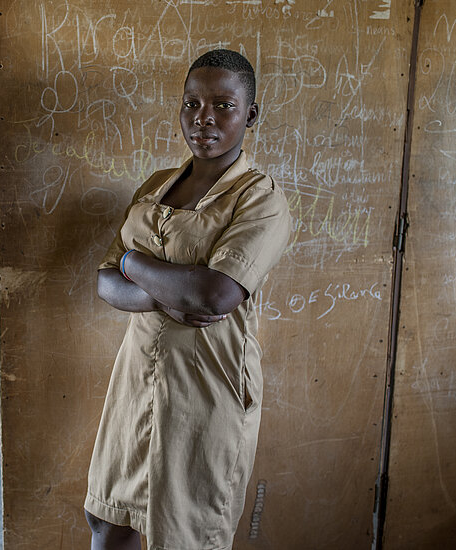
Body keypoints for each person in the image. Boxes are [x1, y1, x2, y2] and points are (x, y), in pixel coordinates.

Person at [84, 50, 292, 549]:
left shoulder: (259, 199)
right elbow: (104, 282)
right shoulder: (157, 187)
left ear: (251, 115)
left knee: (185, 535)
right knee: (109, 518)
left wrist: (135, 266)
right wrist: (160, 296)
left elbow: (215, 293)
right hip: (137, 378)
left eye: (223, 105)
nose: (205, 118)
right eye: (192, 104)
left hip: (206, 389)